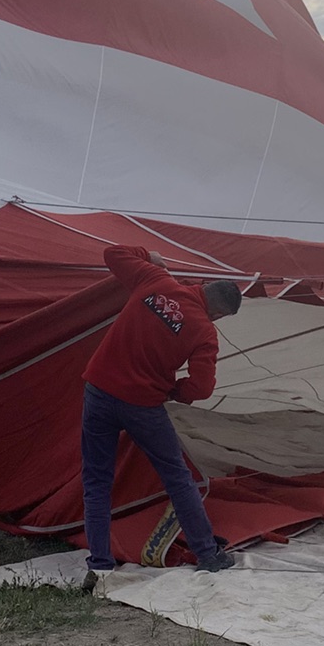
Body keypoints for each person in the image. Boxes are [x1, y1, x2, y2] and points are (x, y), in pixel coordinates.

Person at [79, 244, 243, 590]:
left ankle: (100, 564)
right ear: (218, 314)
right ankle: (208, 555)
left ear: (202, 285)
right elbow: (202, 388)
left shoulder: (156, 279)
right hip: (143, 405)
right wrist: (174, 391)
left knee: (96, 481)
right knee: (177, 477)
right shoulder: (204, 332)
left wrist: (148, 254)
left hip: (99, 390)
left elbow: (112, 253)